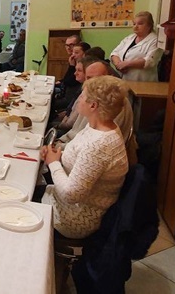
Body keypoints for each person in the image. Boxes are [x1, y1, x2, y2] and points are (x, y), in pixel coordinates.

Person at [38, 75, 129, 239]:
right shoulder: (97, 126)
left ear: (93, 105)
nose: (78, 100)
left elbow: (71, 195)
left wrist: (53, 163)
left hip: (75, 218)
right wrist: (59, 155)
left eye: (82, 96)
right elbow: (82, 160)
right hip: (69, 201)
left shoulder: (99, 145)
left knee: (20, 197)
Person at [58, 60, 137, 165]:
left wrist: (58, 151)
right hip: (72, 149)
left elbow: (89, 149)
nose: (89, 83)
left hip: (86, 159)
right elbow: (78, 134)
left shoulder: (112, 104)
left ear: (109, 77)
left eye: (94, 78)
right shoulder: (92, 97)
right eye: (87, 78)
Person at [110, 11, 163, 81]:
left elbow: (149, 61)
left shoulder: (155, 40)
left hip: (143, 81)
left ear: (149, 25)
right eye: (134, 24)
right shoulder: (129, 38)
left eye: (140, 24)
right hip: (123, 79)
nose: (136, 27)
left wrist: (127, 64)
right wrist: (118, 65)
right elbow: (115, 53)